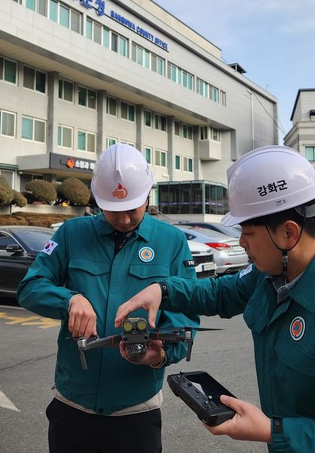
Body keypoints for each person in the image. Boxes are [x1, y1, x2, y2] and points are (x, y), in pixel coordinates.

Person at [115, 145, 315, 452]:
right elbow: (220, 293)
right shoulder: (271, 274)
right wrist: (163, 290)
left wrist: (272, 430)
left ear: (288, 233)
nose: (241, 242)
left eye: (248, 232)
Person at [17, 143, 199, 453]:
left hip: (136, 410)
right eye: (114, 210)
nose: (124, 219)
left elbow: (186, 314)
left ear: (148, 195)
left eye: (133, 209)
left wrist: (161, 355)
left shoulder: (172, 241)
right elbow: (30, 287)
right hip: (73, 405)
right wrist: (69, 300)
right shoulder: (71, 234)